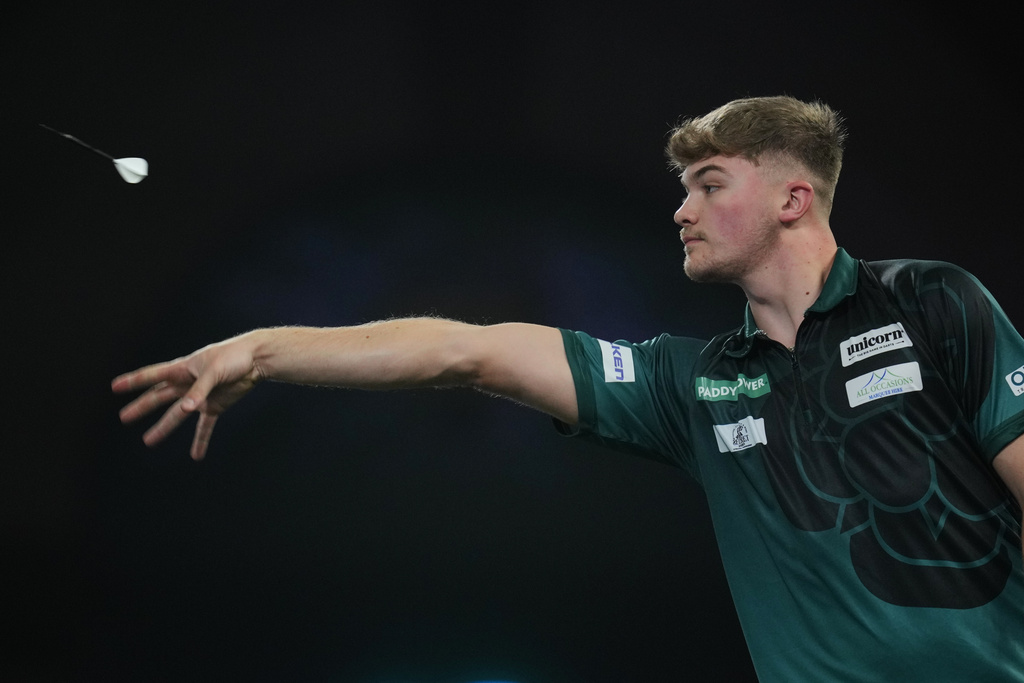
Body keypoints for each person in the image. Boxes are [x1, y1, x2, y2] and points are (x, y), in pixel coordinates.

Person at [113, 96, 1024, 681]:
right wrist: (264, 350)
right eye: (683, 189)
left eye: (710, 185)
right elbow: (467, 350)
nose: (681, 210)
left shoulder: (934, 302)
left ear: (793, 199)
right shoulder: (693, 384)